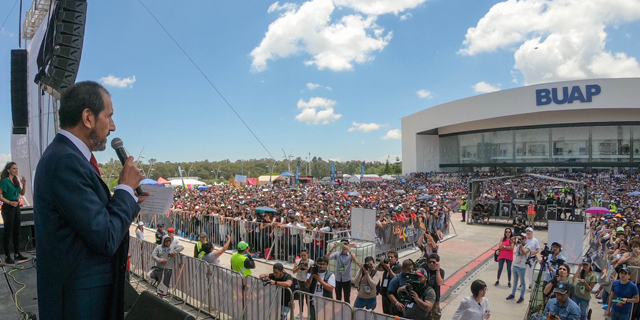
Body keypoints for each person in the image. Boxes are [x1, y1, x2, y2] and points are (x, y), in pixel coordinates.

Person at [34, 81, 147, 319]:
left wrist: (126, 199)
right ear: (88, 118)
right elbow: (104, 237)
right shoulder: (65, 161)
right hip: (79, 304)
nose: (113, 127)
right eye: (109, 116)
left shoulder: (67, 157)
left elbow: (88, 220)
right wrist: (125, 189)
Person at [0, 162, 27, 264]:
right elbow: (0, 195)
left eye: (17, 168)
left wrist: (24, 184)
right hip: (8, 207)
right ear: (8, 170)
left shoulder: (15, 181)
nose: (16, 170)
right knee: (8, 231)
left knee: (16, 230)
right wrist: (10, 202)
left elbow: (22, 193)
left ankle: (17, 253)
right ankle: (7, 255)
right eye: (14, 168)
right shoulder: (4, 181)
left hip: (16, 207)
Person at [506, 234, 530, 303]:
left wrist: (521, 245)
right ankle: (513, 294)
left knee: (522, 282)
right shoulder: (519, 244)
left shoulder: (528, 246)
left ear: (525, 239)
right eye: (521, 238)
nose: (521, 240)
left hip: (522, 266)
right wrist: (516, 237)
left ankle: (522, 296)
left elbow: (524, 252)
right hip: (516, 265)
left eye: (523, 238)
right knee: (515, 281)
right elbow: (511, 240)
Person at [378, 251, 402, 315]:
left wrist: (389, 269)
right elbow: (377, 268)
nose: (390, 259)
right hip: (384, 293)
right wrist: (382, 263)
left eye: (392, 257)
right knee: (385, 312)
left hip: (392, 294)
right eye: (388, 257)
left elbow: (395, 277)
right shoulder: (387, 265)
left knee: (391, 313)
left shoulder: (398, 267)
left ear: (396, 258)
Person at [293, 249, 314, 315]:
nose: (303, 257)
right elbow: (294, 271)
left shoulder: (311, 262)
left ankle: (310, 313)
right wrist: (299, 267)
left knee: (308, 298)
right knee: (300, 298)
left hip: (307, 282)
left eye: (305, 255)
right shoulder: (297, 261)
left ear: (308, 255)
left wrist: (306, 268)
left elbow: (312, 272)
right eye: (302, 255)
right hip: (299, 280)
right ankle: (301, 312)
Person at [426, 253, 445, 320]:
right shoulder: (426, 270)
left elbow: (439, 283)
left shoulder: (441, 271)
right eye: (430, 262)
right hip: (426, 297)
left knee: (435, 316)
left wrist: (437, 270)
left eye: (433, 262)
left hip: (435, 297)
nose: (431, 264)